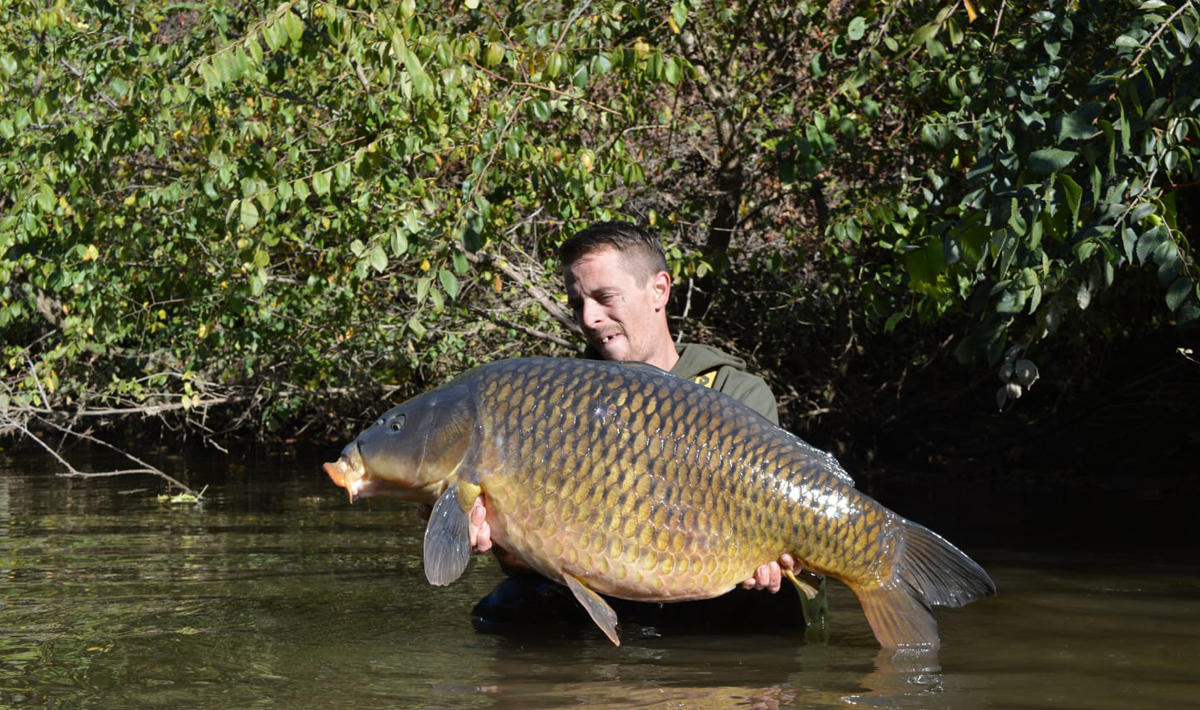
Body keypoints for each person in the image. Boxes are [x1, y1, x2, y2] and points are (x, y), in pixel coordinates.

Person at [468, 220, 828, 632]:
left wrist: (774, 559)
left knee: (778, 600)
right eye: (578, 303)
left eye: (605, 297)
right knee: (504, 609)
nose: (589, 318)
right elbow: (551, 546)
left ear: (659, 290)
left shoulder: (736, 392)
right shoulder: (562, 405)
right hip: (617, 582)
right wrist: (507, 543)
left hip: (714, 589)